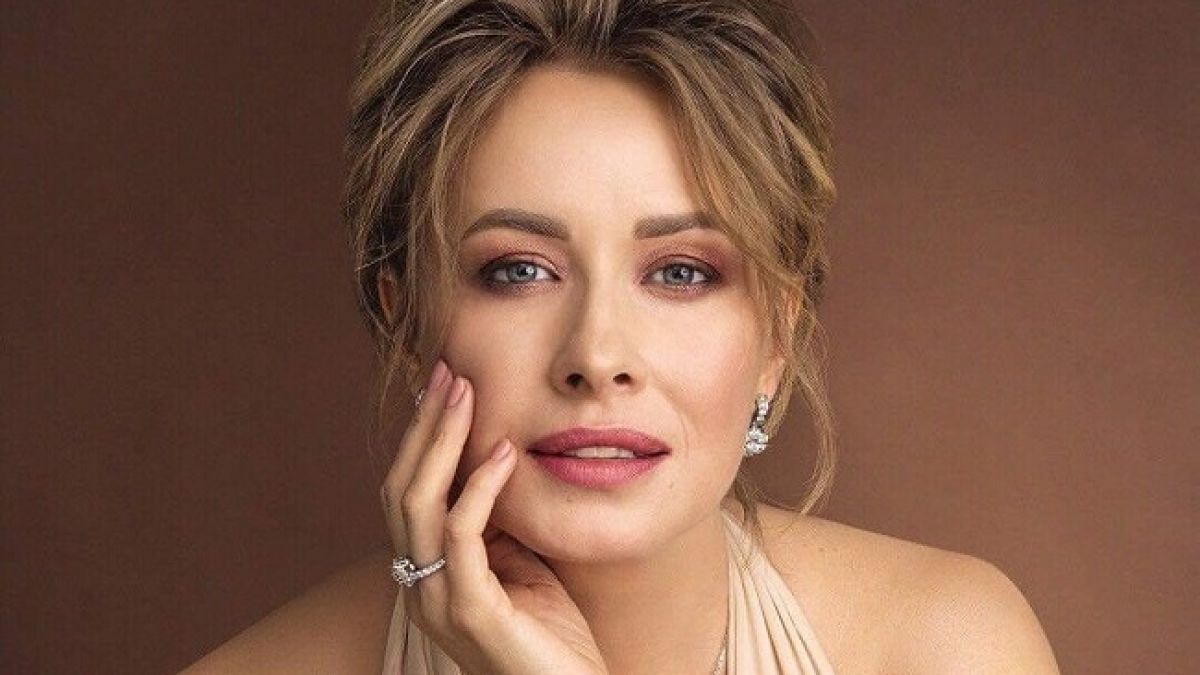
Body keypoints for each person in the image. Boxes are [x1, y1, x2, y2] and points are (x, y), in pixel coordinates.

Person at [184, 1, 1060, 672]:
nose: (597, 357)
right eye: (519, 270)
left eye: (679, 272)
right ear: (406, 319)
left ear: (777, 339)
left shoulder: (946, 647)